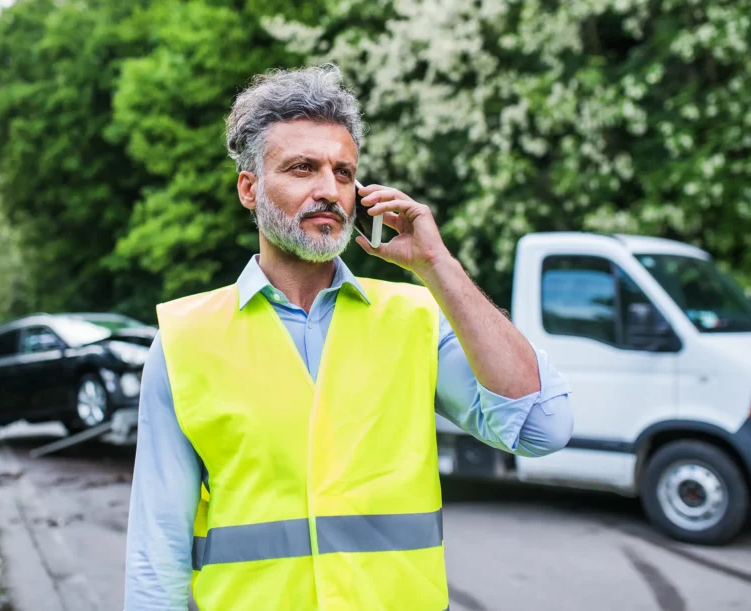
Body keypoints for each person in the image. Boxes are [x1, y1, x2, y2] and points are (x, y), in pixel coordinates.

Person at [124, 65, 573, 611]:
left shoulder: (416, 318)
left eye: (343, 173)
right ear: (250, 188)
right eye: (301, 168)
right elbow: (157, 551)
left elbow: (542, 427)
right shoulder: (183, 340)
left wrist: (438, 266)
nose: (328, 190)